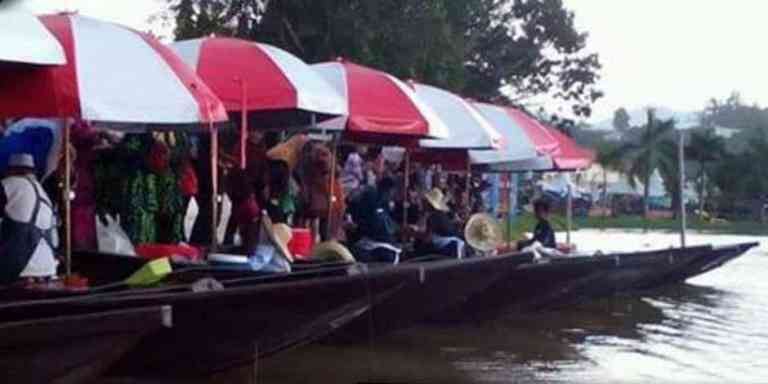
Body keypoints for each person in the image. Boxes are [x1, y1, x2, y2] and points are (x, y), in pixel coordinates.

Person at [0, 154, 58, 284]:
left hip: (19, 268)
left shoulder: (7, 185)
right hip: (48, 267)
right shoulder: (43, 191)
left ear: (10, 170)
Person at [348, 176, 401, 263]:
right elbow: (377, 224)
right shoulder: (372, 200)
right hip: (372, 242)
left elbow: (387, 224)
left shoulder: (384, 204)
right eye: (392, 192)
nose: (393, 195)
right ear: (388, 190)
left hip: (379, 242)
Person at [413, 188, 465, 259]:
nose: (424, 203)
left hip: (448, 248)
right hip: (453, 245)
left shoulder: (434, 217)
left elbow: (427, 238)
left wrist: (413, 233)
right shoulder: (441, 215)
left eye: (426, 201)